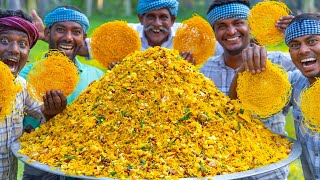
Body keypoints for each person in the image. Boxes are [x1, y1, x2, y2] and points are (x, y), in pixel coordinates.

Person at [200, 0, 296, 179]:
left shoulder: (279, 63)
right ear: (214, 33)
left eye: (238, 23)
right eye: (222, 26)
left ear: (250, 26)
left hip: (269, 171)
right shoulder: (203, 71)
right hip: (222, 171)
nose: (231, 31)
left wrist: (301, 32)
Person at [230, 13, 320, 180]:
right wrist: (245, 68)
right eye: (294, 44)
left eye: (312, 41)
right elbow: (236, 104)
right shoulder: (295, 84)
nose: (303, 50)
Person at [19, 6, 105, 180]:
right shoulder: (26, 76)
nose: (68, 37)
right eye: (60, 30)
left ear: (84, 38)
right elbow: (19, 127)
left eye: (76, 32)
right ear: (47, 32)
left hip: (85, 168)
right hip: (40, 166)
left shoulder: (98, 77)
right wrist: (47, 117)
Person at [0, 9, 67, 180]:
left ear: (28, 55)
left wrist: (51, 112)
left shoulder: (21, 86)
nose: (14, 50)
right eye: (4, 41)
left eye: (23, 44)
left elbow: (42, 111)